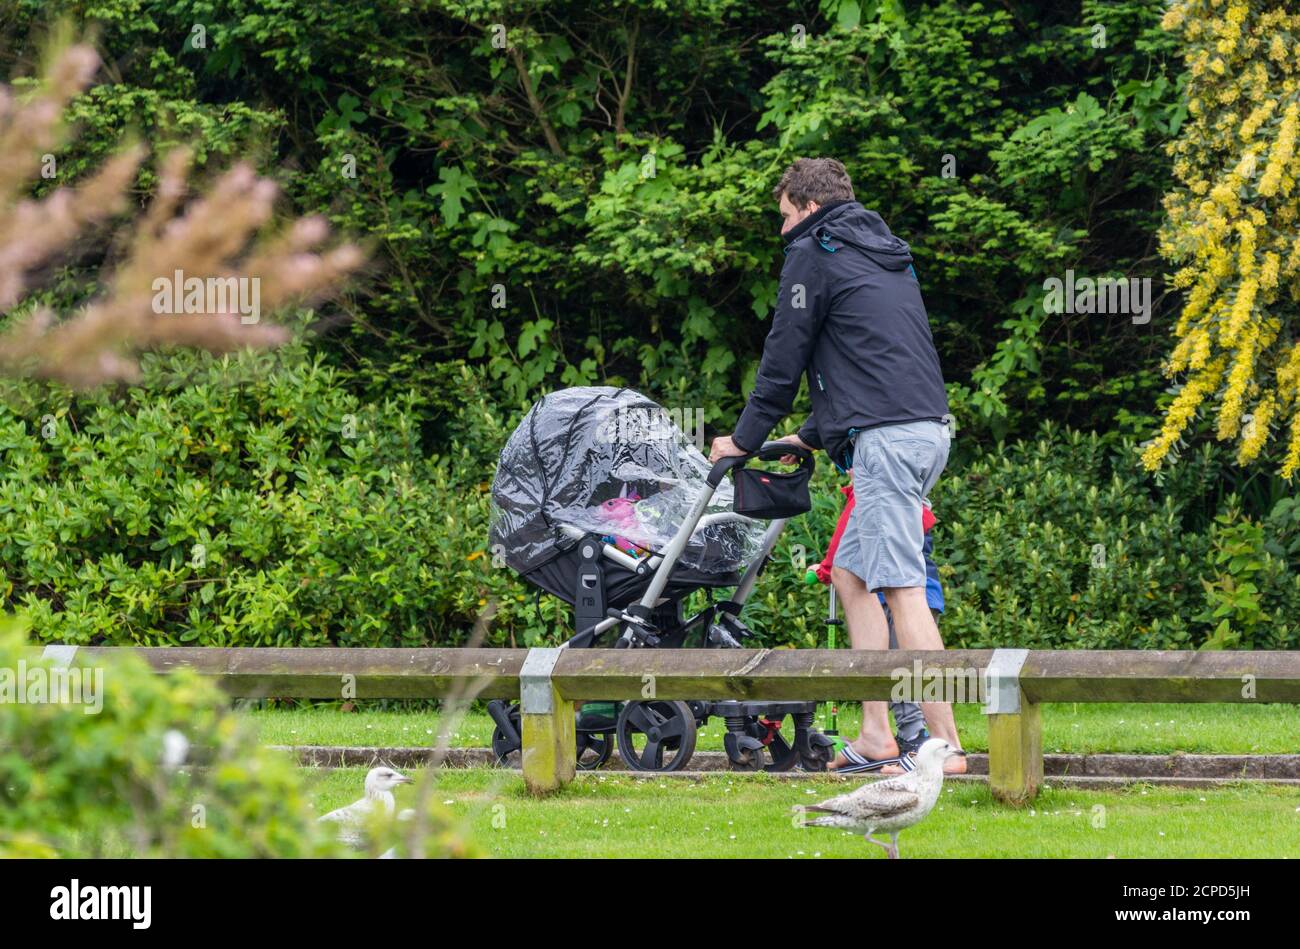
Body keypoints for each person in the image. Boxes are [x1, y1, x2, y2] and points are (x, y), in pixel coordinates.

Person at [709, 156, 964, 773]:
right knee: (852, 579)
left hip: (887, 443)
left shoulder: (812, 252)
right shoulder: (884, 252)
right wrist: (809, 434)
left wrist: (743, 441)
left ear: (809, 208)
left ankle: (946, 746)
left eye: (785, 215)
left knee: (903, 591)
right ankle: (877, 734)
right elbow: (872, 361)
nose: (782, 229)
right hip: (925, 430)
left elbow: (783, 358)